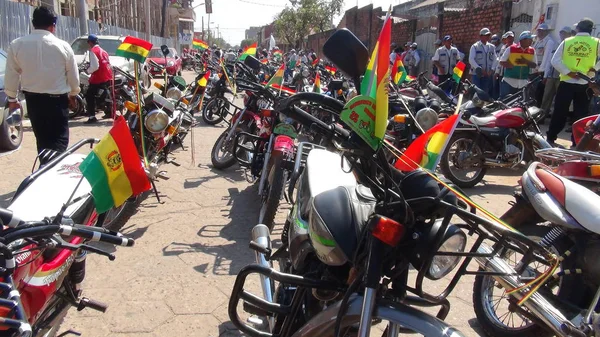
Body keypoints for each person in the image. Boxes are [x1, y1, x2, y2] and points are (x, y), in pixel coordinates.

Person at [5, 6, 79, 163]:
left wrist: (12, 100)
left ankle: (45, 171)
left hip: (34, 102)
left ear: (33, 23)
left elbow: (12, 75)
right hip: (57, 102)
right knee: (59, 142)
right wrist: (73, 94)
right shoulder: (63, 46)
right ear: (54, 25)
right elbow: (73, 77)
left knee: (43, 141)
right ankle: (51, 175)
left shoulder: (17, 45)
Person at [548, 18, 600, 147]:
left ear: (577, 29)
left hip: (566, 82)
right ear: (591, 29)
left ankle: (550, 137)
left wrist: (568, 72)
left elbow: (555, 60)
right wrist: (595, 68)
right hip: (584, 83)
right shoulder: (596, 42)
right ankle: (576, 141)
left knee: (560, 111)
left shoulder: (567, 41)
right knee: (580, 115)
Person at [541, 26, 572, 122]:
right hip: (551, 75)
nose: (562, 35)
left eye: (565, 33)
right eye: (561, 33)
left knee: (559, 100)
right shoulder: (556, 44)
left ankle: (557, 118)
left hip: (562, 76)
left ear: (569, 34)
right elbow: (550, 61)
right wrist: (546, 75)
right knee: (546, 97)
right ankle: (541, 116)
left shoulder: (570, 45)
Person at [498, 31, 538, 98]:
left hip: (523, 83)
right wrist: (511, 66)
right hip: (509, 81)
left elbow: (534, 65)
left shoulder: (532, 51)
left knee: (520, 104)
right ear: (523, 40)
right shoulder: (511, 48)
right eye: (530, 39)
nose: (531, 41)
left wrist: (526, 61)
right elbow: (501, 61)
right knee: (505, 102)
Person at [84, 34, 113, 123]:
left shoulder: (93, 51)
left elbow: (95, 66)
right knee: (104, 93)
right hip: (108, 75)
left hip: (99, 77)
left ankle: (92, 116)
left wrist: (87, 71)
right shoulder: (103, 51)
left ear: (90, 42)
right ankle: (109, 112)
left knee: (89, 95)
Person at [469, 28, 497, 94]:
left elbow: (496, 59)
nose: (487, 37)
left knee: (485, 92)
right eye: (486, 35)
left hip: (487, 73)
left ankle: (483, 104)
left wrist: (492, 69)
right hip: (477, 74)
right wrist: (479, 69)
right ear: (480, 36)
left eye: (488, 35)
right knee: (476, 91)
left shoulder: (492, 47)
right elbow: (471, 59)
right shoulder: (475, 46)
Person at [533, 23, 555, 107]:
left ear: (546, 32)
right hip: (535, 70)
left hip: (541, 72)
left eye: (542, 31)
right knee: (533, 93)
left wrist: (545, 74)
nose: (540, 33)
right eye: (539, 30)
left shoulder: (549, 42)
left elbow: (547, 59)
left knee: (539, 94)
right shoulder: (537, 42)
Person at [493, 32, 515, 99]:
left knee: (510, 93)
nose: (509, 39)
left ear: (513, 38)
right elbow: (499, 60)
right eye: (508, 38)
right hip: (501, 73)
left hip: (511, 74)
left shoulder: (515, 48)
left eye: (511, 38)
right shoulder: (503, 48)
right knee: (502, 92)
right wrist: (497, 72)